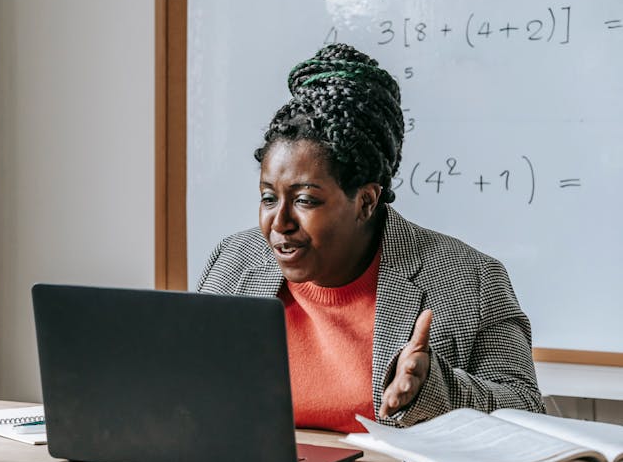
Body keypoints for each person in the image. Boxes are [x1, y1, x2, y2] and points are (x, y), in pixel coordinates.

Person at [197, 43, 544, 432]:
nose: (280, 222)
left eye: (306, 200)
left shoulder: (470, 280)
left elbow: (528, 411)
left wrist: (434, 389)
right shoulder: (232, 262)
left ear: (365, 201)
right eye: (267, 197)